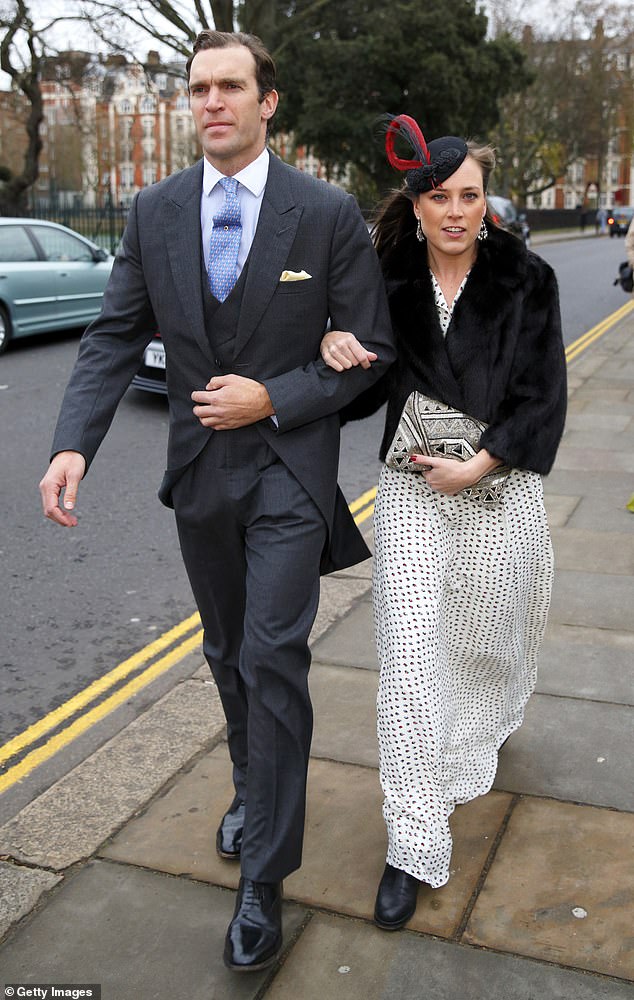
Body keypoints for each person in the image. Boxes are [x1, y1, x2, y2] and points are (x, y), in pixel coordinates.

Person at [39, 30, 395, 972]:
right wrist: (74, 443)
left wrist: (277, 394)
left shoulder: (323, 212)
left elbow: (373, 350)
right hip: (199, 471)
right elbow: (113, 334)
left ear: (267, 101)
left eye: (231, 86)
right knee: (227, 648)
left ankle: (263, 879)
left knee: (274, 656)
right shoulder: (154, 210)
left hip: (286, 470)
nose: (212, 103)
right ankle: (251, 789)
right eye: (198, 89)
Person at [320, 115, 567, 931]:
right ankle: (412, 838)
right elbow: (363, 395)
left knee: (482, 643)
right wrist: (337, 347)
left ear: (486, 201)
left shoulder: (527, 278)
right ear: (416, 204)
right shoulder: (384, 278)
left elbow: (543, 399)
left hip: (498, 489)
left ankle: (483, 727)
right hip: (416, 493)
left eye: (470, 195)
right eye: (438, 197)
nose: (456, 211)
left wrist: (483, 462)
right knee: (412, 657)